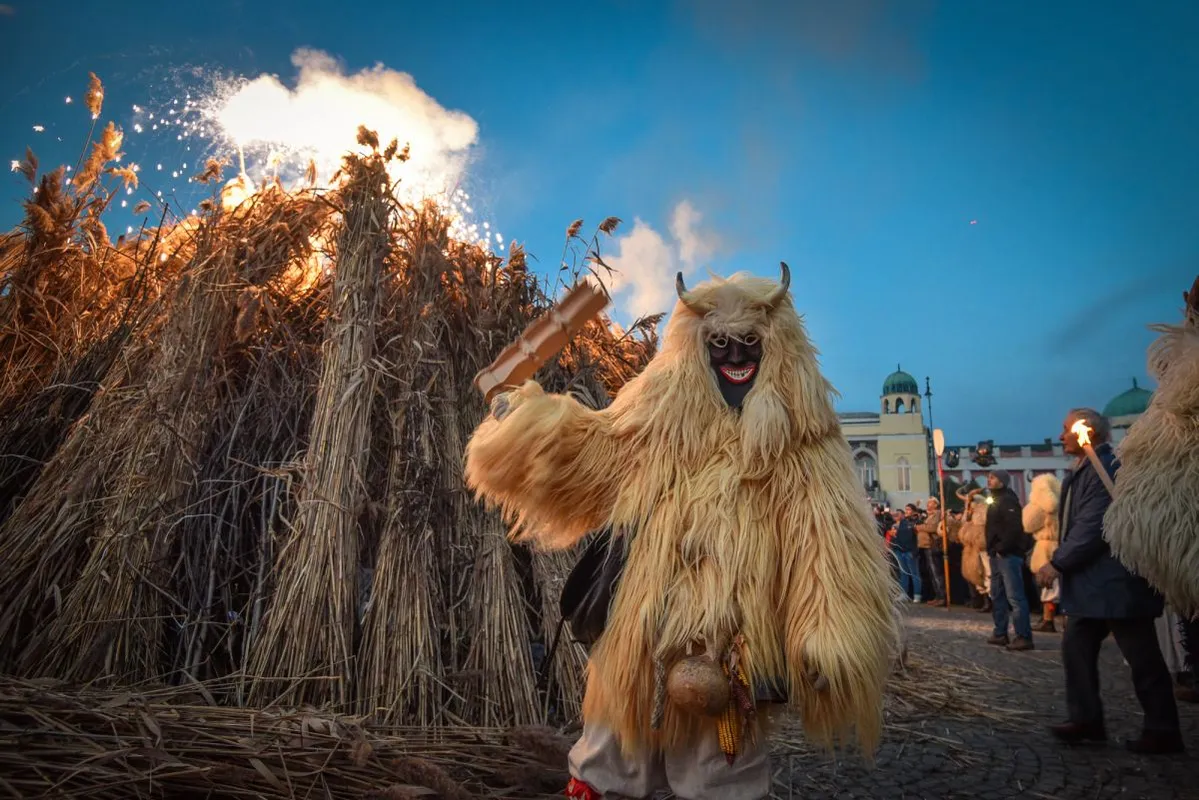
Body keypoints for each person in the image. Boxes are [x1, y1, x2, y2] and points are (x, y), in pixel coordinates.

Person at [465, 265, 898, 799]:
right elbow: (597, 449)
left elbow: (827, 541)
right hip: (640, 625)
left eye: (749, 342)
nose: (735, 357)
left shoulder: (803, 439)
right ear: (696, 345)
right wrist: (528, 424)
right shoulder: (661, 409)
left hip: (731, 637)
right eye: (718, 342)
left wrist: (829, 631)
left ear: (776, 345)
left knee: (719, 769)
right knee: (612, 752)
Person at [1035, 408, 1184, 755]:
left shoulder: (1110, 467)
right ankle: (1086, 719)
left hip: (1117, 581)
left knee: (1142, 656)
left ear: (1087, 431)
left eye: (1065, 430)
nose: (1060, 437)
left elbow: (1094, 525)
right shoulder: (1086, 467)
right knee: (1076, 646)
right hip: (1092, 586)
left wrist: (1058, 563)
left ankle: (1163, 729)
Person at [984, 469, 1034, 651]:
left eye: (993, 478)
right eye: (989, 477)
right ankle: (1000, 632)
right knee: (997, 594)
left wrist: (1001, 548)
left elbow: (1014, 528)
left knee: (1015, 596)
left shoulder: (1008, 500)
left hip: (1007, 555)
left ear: (1002, 482)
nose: (989, 480)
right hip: (996, 555)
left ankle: (1023, 635)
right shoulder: (996, 500)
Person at [1023, 474, 1062, 632]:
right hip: (1059, 545)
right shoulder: (1062, 502)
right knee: (1059, 586)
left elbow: (1028, 525)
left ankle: (1048, 619)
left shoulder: (1039, 507)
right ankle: (1061, 619)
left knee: (1047, 584)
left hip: (1045, 546)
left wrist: (1032, 504)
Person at [915, 498, 946, 607]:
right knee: (932, 573)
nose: (928, 505)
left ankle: (942, 596)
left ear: (936, 504)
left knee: (936, 572)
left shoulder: (937, 514)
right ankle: (937, 595)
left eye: (930, 503)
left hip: (932, 545)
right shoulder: (927, 515)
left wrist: (920, 527)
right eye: (927, 503)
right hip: (925, 545)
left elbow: (933, 527)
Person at [890, 508, 921, 602]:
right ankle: (904, 594)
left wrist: (914, 551)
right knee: (903, 574)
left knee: (914, 574)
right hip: (900, 551)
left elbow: (916, 538)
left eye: (898, 514)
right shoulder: (895, 526)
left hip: (909, 551)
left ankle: (917, 595)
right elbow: (894, 539)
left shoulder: (911, 523)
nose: (896, 516)